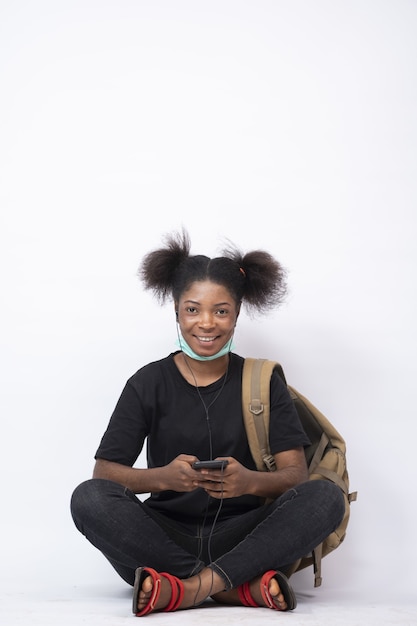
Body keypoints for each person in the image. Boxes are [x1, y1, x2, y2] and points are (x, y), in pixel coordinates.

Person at [70, 229, 345, 617]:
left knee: (326, 498)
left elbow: (295, 476)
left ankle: (186, 588)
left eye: (221, 311)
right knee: (88, 498)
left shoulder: (263, 381)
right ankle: (234, 587)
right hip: (163, 538)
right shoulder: (147, 382)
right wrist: (164, 477)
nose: (206, 324)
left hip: (247, 536)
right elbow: (105, 473)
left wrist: (248, 482)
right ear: (177, 312)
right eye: (193, 309)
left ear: (236, 315)